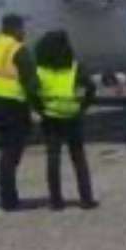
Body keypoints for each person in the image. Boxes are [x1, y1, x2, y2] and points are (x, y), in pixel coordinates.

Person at [0, 14, 41, 211]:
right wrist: (39, 107)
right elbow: (32, 83)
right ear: (15, 29)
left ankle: (6, 196)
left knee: (7, 152)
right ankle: (9, 200)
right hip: (14, 105)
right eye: (22, 29)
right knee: (11, 154)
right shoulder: (18, 50)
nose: (24, 32)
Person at [35, 30, 98, 211]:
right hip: (72, 117)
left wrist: (41, 110)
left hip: (51, 119)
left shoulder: (40, 70)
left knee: (53, 160)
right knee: (79, 160)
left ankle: (56, 202)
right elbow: (91, 87)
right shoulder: (75, 67)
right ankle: (86, 199)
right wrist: (83, 107)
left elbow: (31, 92)